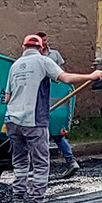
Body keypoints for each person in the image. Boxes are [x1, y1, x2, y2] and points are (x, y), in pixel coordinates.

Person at [5, 34, 102, 203]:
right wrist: (91, 76)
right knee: (41, 163)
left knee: (20, 163)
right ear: (42, 48)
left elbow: (7, 97)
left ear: (23, 47)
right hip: (34, 121)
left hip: (12, 120)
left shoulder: (14, 66)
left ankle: (17, 202)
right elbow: (65, 78)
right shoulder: (43, 61)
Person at [36, 31, 79, 178]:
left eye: (45, 40)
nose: (44, 43)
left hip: (53, 100)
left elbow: (61, 74)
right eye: (42, 41)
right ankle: (63, 163)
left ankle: (68, 162)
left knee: (54, 134)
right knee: (49, 135)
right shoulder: (35, 58)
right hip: (42, 101)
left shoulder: (54, 55)